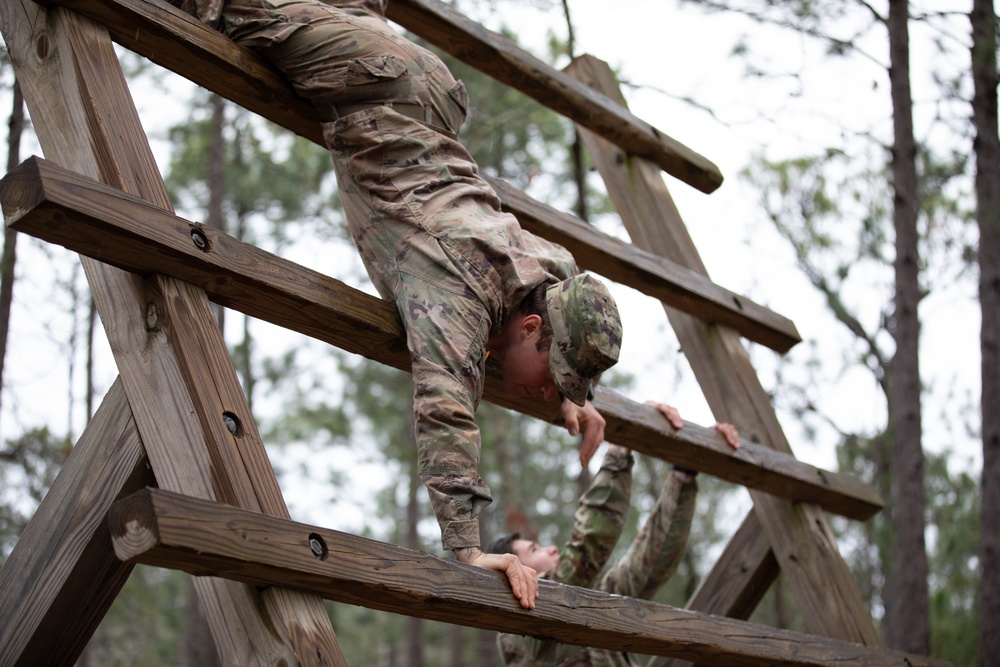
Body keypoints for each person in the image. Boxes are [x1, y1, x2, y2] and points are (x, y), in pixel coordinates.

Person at [164, 0, 623, 608]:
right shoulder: (458, 296)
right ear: (530, 324)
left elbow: (567, 276)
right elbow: (446, 410)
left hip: (429, 90)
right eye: (552, 374)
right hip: (371, 80)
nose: (545, 392)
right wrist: (467, 547)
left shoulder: (543, 267)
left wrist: (571, 391)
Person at [487, 401, 741, 666]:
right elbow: (588, 547)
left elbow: (650, 564)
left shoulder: (590, 602)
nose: (551, 548)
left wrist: (682, 474)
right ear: (512, 578)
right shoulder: (518, 627)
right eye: (534, 551)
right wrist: (621, 444)